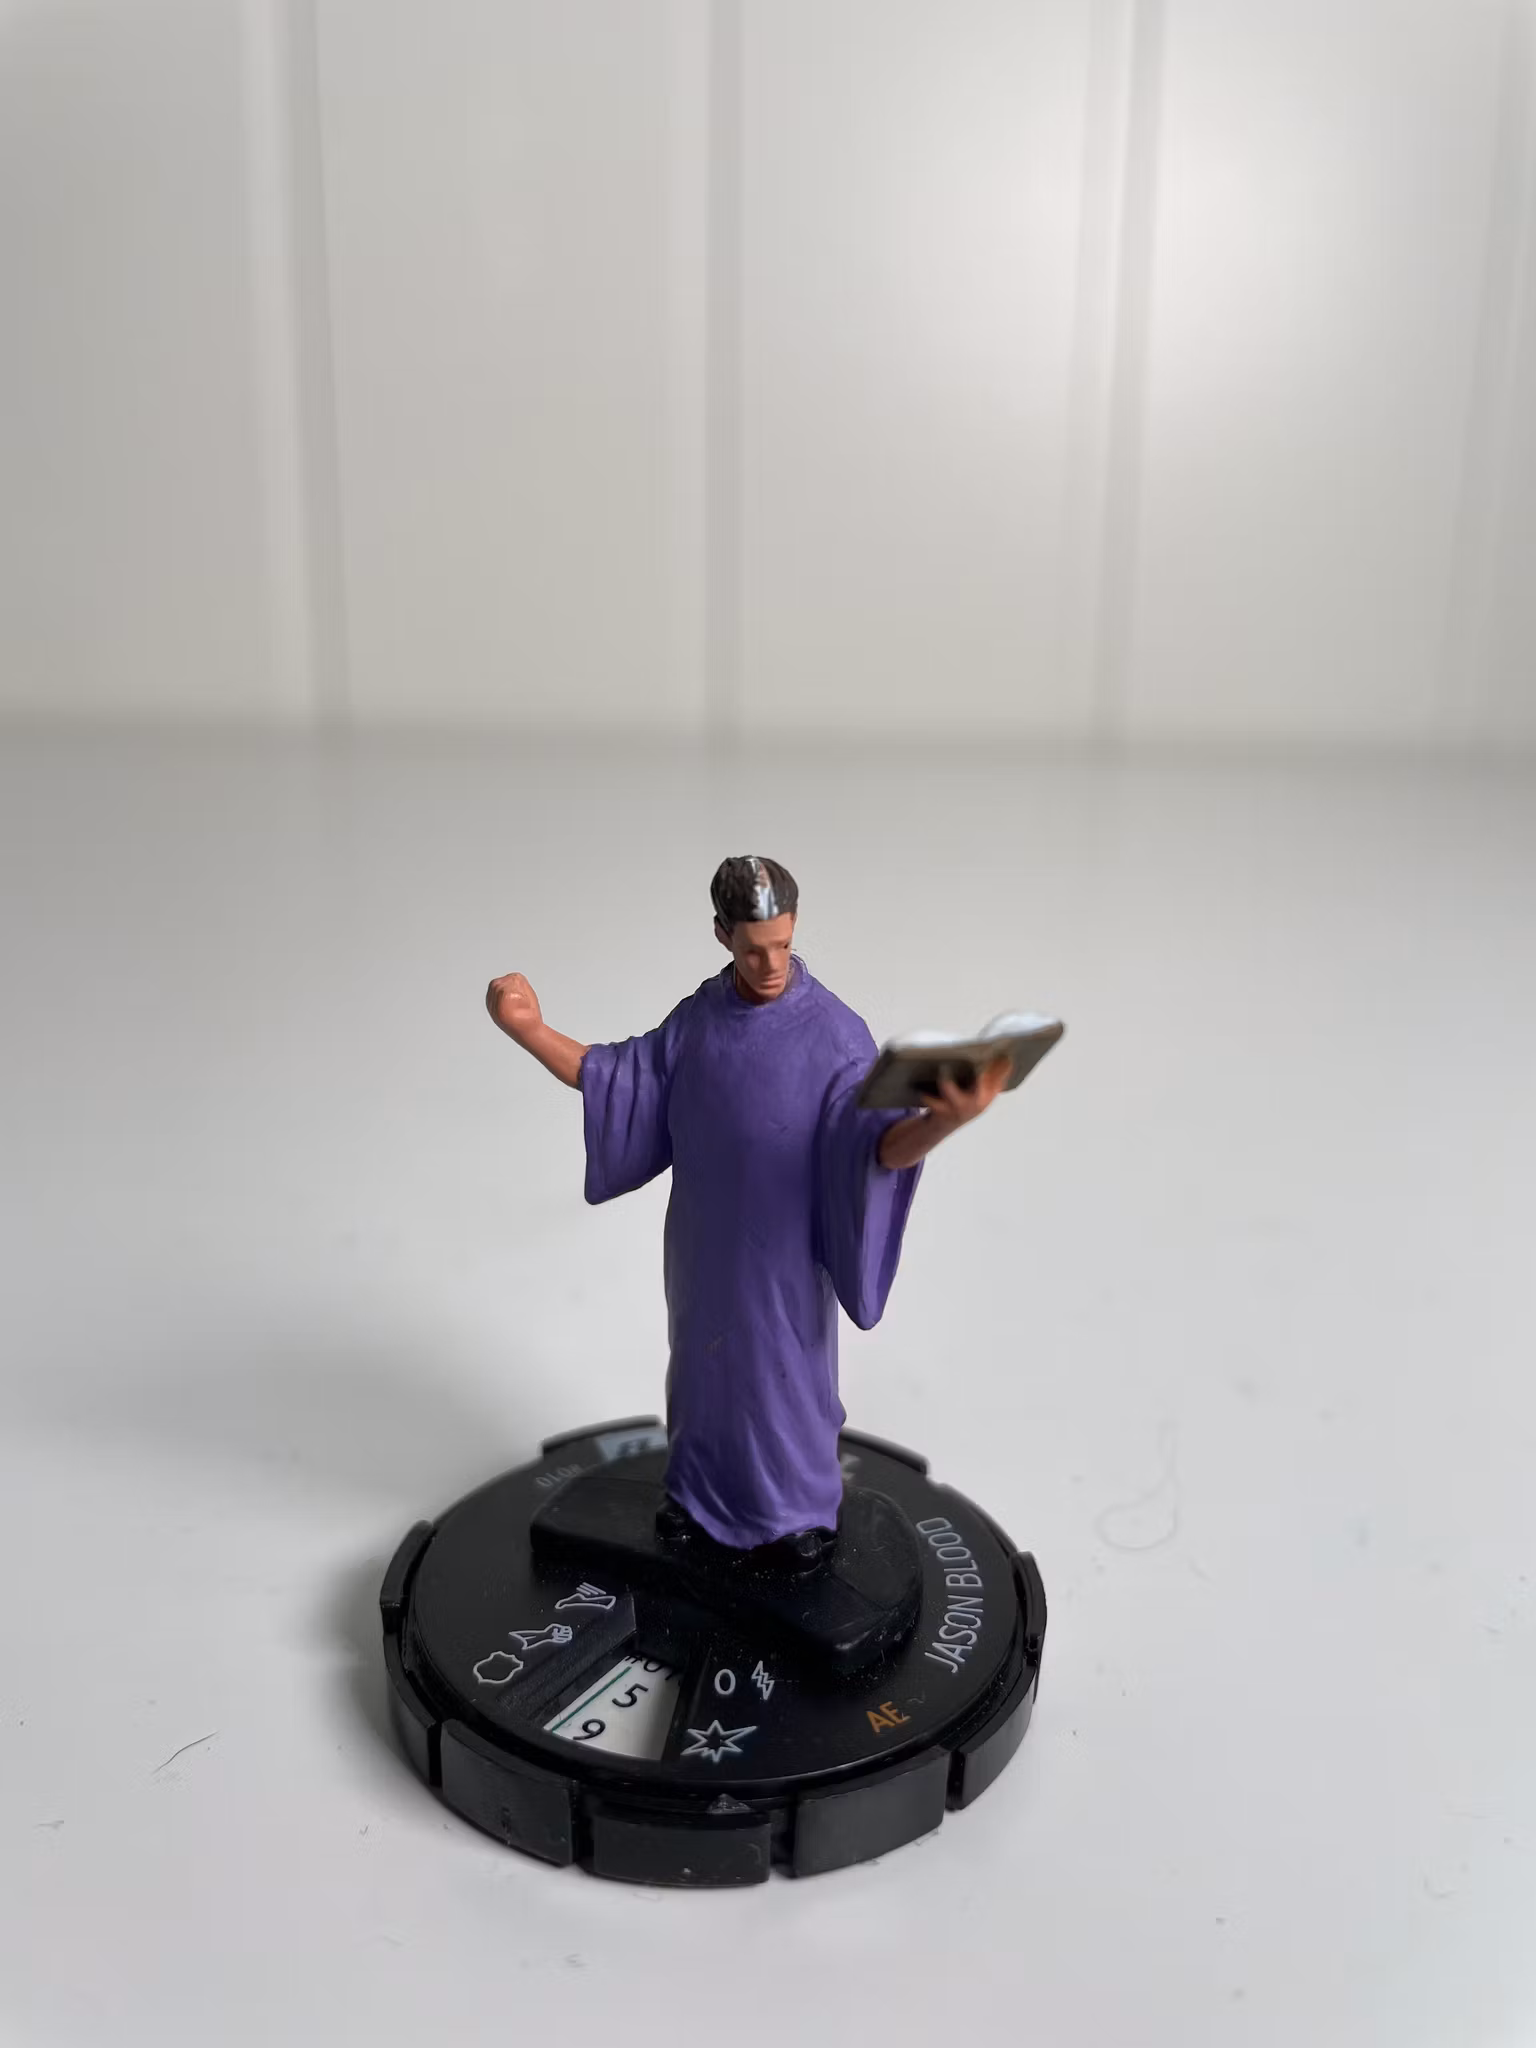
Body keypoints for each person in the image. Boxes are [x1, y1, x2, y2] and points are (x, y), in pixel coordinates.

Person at [486, 857, 1007, 1568]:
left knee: (784, 1381)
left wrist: (943, 1122)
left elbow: (875, 1147)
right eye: (755, 949)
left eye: (783, 945)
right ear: (722, 935)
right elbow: (619, 1078)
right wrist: (530, 1030)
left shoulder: (834, 1034)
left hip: (784, 1254)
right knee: (704, 1373)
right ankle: (696, 1496)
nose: (771, 965)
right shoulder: (700, 1019)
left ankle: (796, 1512)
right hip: (703, 1245)